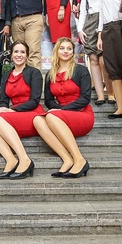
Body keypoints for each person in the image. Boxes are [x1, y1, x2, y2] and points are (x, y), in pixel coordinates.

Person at [0, 40, 44, 179]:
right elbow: (3, 101)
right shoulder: (7, 75)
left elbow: (34, 101)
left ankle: (25, 159)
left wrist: (12, 111)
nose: (19, 55)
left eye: (22, 52)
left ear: (27, 56)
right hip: (14, 116)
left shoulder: (34, 73)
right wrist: (3, 110)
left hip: (33, 115)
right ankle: (11, 159)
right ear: (11, 55)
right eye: (16, 51)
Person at [34, 37, 94, 178]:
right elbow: (49, 100)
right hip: (60, 117)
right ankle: (67, 159)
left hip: (82, 115)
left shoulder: (81, 71)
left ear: (73, 52)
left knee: (51, 115)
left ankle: (79, 159)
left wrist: (62, 110)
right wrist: (59, 110)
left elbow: (85, 99)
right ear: (56, 51)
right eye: (62, 48)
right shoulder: (50, 74)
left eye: (69, 49)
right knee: (37, 120)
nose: (65, 51)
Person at [77, 0, 108, 105]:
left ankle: (111, 94)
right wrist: (80, 30)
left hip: (106, 20)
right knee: (94, 59)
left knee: (104, 60)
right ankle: (101, 95)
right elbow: (83, 10)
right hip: (89, 22)